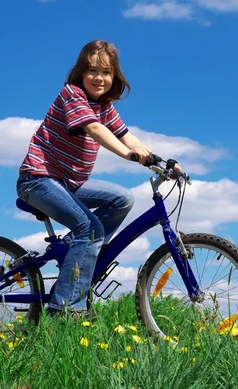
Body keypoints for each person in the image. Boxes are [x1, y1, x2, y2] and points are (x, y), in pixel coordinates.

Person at [16, 40, 154, 320]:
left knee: (123, 199)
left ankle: (73, 250)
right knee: (90, 229)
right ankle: (65, 311)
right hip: (38, 179)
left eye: (106, 72)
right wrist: (128, 155)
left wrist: (158, 161)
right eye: (92, 70)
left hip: (68, 184)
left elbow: (125, 134)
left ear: (114, 76)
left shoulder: (105, 107)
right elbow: (94, 129)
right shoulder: (72, 95)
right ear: (80, 73)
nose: (99, 78)